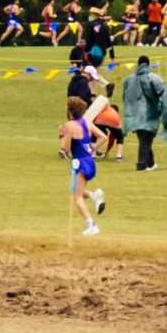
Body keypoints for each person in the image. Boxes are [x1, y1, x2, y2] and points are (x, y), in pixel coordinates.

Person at [61, 96, 103, 236]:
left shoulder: (69, 126)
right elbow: (103, 136)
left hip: (80, 163)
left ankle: (91, 225)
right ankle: (94, 195)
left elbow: (66, 149)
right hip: (90, 161)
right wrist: (93, 147)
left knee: (77, 197)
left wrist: (62, 136)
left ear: (70, 110)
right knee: (74, 189)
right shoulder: (86, 123)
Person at [121, 55, 165, 171]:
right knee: (146, 138)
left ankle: (151, 163)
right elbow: (162, 94)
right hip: (148, 113)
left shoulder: (128, 79)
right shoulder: (153, 77)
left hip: (133, 114)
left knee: (144, 139)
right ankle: (141, 165)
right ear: (148, 64)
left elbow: (124, 97)